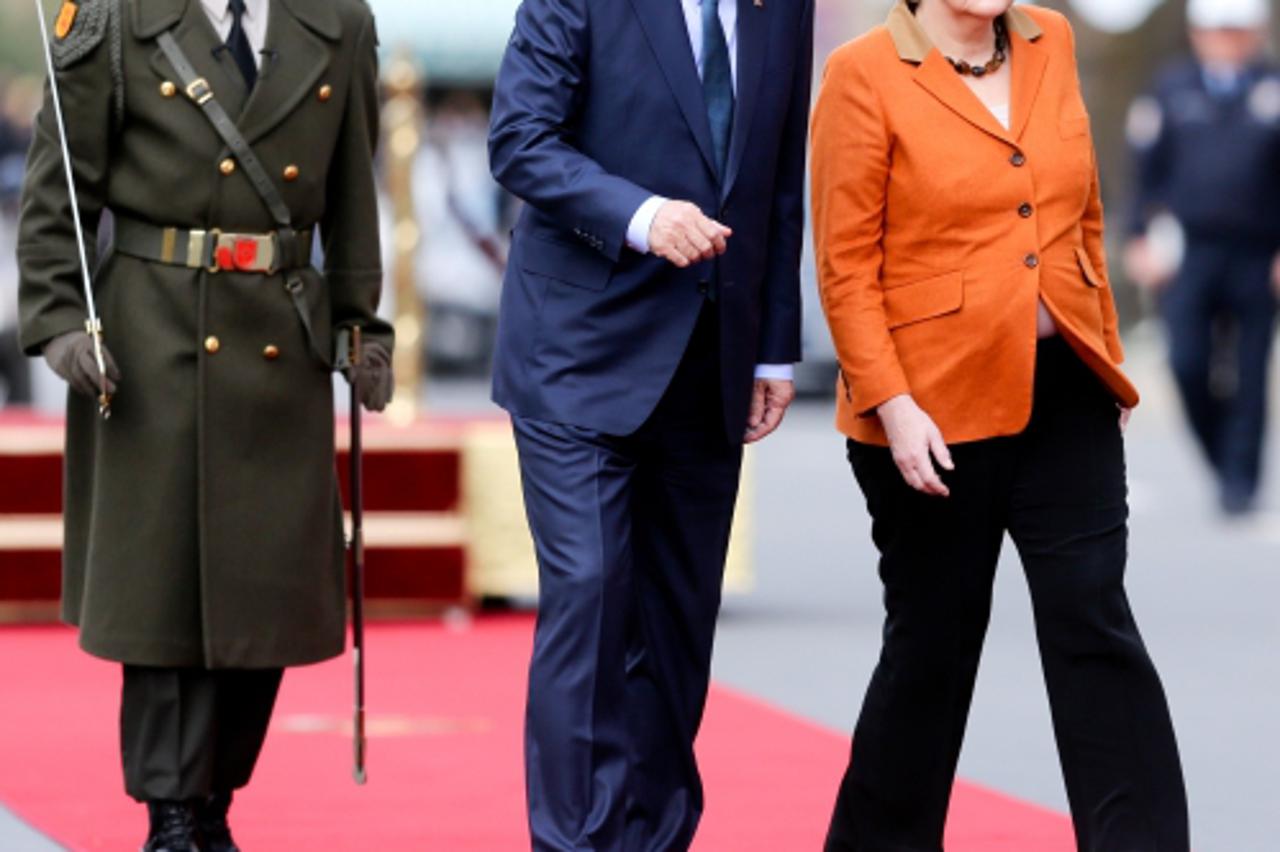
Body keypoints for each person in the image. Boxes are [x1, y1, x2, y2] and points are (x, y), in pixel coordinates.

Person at [810, 1, 1189, 849]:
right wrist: (892, 404)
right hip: (929, 406)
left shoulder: (1051, 38)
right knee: (932, 649)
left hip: (1067, 392)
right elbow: (845, 265)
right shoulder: (861, 72)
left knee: (1094, 619)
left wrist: (1105, 353)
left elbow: (1082, 212)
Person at [17, 1, 392, 849]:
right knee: (161, 598)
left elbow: (352, 193)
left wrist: (362, 325)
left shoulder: (339, 22)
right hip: (148, 344)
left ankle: (215, 801)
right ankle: (173, 815)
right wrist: (60, 322)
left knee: (265, 599)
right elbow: (58, 189)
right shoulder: (116, 19)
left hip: (281, 341)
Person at [488, 0, 813, 846]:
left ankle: (656, 838)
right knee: (592, 595)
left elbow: (779, 177)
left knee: (677, 624)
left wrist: (773, 349)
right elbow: (520, 139)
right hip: (577, 351)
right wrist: (642, 216)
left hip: (713, 358)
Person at [1124, 0, 1280, 516]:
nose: (1225, 41)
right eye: (1217, 31)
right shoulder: (1171, 89)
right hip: (1188, 252)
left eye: (1236, 31)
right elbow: (1144, 171)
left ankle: (1241, 480)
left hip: (1258, 251)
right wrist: (1138, 236)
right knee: (1187, 361)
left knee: (1250, 369)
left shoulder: (1273, 88)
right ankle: (1220, 457)